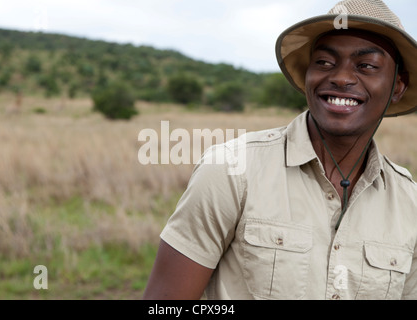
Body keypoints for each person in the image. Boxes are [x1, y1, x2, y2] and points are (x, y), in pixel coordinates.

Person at [143, 0, 417, 300]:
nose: (340, 77)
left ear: (397, 87)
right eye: (324, 62)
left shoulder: (410, 203)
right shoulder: (232, 170)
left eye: (366, 66)